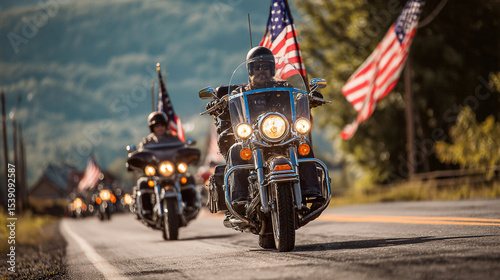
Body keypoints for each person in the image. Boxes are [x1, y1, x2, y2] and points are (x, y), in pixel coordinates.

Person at [223, 46, 324, 215]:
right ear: (250, 70)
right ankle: (238, 197)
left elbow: (297, 98)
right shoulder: (240, 92)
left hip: (283, 135)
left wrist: (308, 98)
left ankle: (311, 190)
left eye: (265, 67)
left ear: (272, 69)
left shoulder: (285, 87)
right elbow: (232, 104)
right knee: (235, 149)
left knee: (303, 143)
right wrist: (221, 104)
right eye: (257, 67)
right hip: (254, 137)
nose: (261, 70)